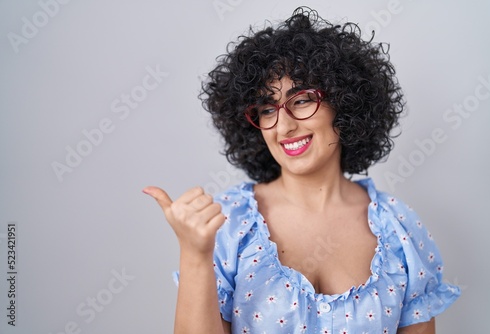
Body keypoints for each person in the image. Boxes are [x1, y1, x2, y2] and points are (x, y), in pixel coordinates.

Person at [143, 7, 460, 333]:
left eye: (303, 99)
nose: (284, 125)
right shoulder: (228, 224)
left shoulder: (400, 229)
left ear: (344, 103)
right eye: (267, 109)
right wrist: (196, 255)